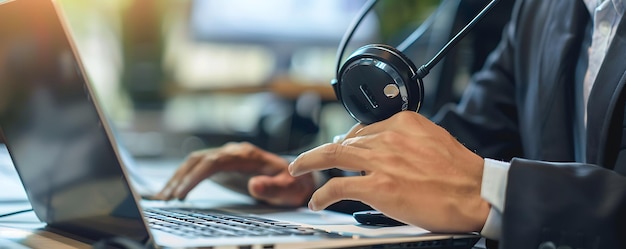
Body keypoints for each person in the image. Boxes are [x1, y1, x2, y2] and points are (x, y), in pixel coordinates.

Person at [156, 0, 626, 248]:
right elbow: (472, 132)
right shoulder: (542, 8)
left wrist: (490, 191)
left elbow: (469, 175)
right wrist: (315, 176)